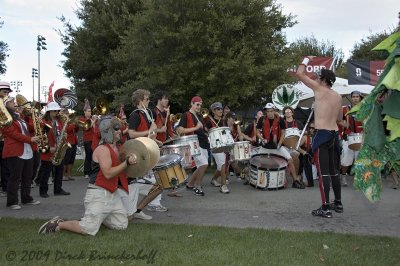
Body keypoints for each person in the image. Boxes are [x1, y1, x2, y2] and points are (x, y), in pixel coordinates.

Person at [38, 117, 136, 235]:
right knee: (88, 229)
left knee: (121, 225)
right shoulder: (102, 149)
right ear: (108, 131)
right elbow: (108, 173)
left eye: (119, 128)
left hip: (112, 194)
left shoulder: (118, 148)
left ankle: (97, 218)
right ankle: (58, 224)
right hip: (98, 194)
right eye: (116, 129)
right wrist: (126, 163)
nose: (120, 131)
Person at [295, 56, 344, 218]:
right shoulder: (338, 96)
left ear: (323, 80)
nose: (316, 77)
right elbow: (338, 119)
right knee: (334, 171)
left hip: (322, 134)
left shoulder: (318, 89)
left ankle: (325, 207)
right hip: (334, 134)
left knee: (323, 173)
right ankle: (338, 203)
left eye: (319, 76)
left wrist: (307, 59)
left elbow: (299, 73)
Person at [128, 89, 167, 216]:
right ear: (140, 101)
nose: (149, 101)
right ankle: (135, 208)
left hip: (147, 150)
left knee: (156, 181)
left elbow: (149, 133)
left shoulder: (147, 113)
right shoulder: (135, 115)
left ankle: (139, 208)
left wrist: (155, 140)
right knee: (145, 182)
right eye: (146, 99)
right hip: (139, 153)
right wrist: (149, 132)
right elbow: (131, 133)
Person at [2, 96, 41, 209]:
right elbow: (12, 133)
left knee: (27, 176)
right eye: (12, 102)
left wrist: (36, 123)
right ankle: (12, 202)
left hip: (26, 149)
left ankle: (26, 198)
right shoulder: (5, 118)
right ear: (5, 106)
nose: (15, 103)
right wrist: (30, 139)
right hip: (15, 150)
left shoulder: (19, 117)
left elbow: (28, 129)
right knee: (15, 177)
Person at [256, 103, 304, 189]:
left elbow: (283, 133)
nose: (269, 113)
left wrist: (279, 143)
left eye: (271, 111)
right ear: (266, 111)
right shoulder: (262, 119)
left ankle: (295, 181)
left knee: (290, 160)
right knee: (255, 161)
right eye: (268, 111)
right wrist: (262, 139)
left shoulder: (280, 119)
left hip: (277, 147)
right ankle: (253, 179)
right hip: (265, 147)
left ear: (274, 111)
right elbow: (257, 131)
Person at [36, 102, 70, 198]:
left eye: (58, 111)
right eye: (55, 111)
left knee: (59, 170)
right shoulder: (43, 122)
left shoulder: (59, 121)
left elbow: (61, 131)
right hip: (49, 149)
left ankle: (58, 189)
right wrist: (49, 147)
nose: (57, 112)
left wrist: (64, 135)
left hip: (58, 147)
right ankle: (43, 191)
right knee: (46, 172)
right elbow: (43, 137)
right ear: (49, 112)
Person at [177, 96, 209, 196]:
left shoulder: (199, 116)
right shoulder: (186, 115)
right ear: (192, 103)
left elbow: (201, 130)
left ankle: (190, 184)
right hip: (194, 144)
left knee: (200, 166)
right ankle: (197, 186)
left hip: (203, 143)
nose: (199, 107)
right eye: (197, 104)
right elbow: (180, 130)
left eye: (200, 105)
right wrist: (196, 127)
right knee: (204, 164)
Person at [277, 106, 306, 188]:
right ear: (284, 114)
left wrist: (297, 144)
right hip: (284, 147)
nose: (288, 113)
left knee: (295, 156)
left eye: (289, 111)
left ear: (292, 113)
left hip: (295, 146)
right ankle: (293, 178)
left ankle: (295, 178)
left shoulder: (298, 123)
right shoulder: (281, 123)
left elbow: (305, 135)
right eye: (286, 112)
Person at [340, 90, 364, 186]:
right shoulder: (345, 109)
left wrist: (364, 126)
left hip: (361, 137)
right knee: (346, 159)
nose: (355, 98)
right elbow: (339, 120)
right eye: (353, 96)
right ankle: (343, 176)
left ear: (360, 98)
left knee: (360, 159)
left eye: (357, 96)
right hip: (348, 137)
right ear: (351, 98)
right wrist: (345, 124)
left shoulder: (364, 109)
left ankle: (359, 179)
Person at [205, 102, 230, 193]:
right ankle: (223, 186)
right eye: (218, 109)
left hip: (224, 145)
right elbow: (206, 133)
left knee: (221, 167)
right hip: (215, 146)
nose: (220, 110)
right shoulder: (208, 122)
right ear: (213, 111)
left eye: (221, 109)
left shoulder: (224, 121)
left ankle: (213, 179)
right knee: (223, 164)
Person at [0, 81, 12, 196]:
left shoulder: (7, 110)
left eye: (7, 92)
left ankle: (5, 187)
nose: (6, 95)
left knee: (5, 166)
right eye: (4, 92)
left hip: (4, 140)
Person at [79, 99, 95, 179]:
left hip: (93, 139)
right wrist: (93, 121)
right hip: (87, 140)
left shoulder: (92, 118)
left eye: (90, 111)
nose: (89, 112)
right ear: (84, 112)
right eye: (88, 111)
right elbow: (87, 127)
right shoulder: (82, 119)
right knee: (88, 156)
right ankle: (86, 172)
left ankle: (92, 171)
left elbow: (95, 128)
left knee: (93, 156)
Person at [62, 109, 78, 181]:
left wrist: (76, 125)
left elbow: (76, 130)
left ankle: (69, 174)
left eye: (68, 113)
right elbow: (67, 130)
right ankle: (63, 175)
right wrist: (73, 124)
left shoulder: (70, 121)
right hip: (67, 142)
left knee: (71, 159)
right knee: (66, 159)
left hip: (74, 142)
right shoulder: (63, 121)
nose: (67, 114)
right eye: (66, 113)